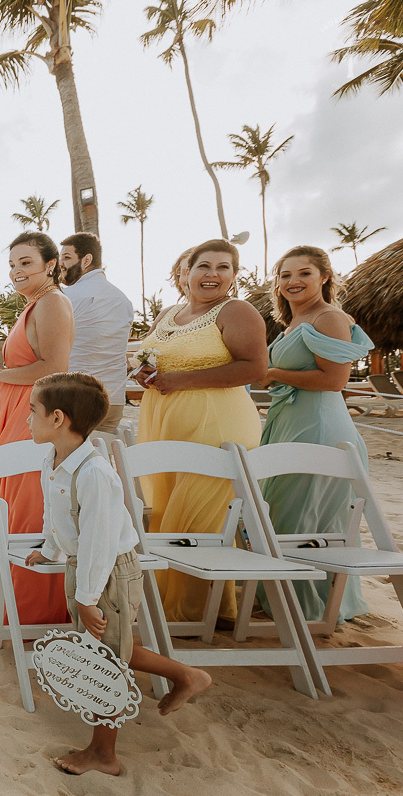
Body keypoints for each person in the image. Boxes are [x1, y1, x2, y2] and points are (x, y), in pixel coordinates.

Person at [24, 372, 212, 776]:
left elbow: (100, 540)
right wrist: (49, 547)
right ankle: (186, 675)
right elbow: (56, 513)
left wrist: (88, 598)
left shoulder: (94, 473)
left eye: (32, 411)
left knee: (104, 660)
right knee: (108, 648)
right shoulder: (54, 459)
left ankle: (103, 755)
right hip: (85, 568)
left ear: (58, 418)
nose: (27, 418)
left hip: (107, 571)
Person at [134, 239, 266, 623]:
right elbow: (157, 359)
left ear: (234, 276)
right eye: (203, 266)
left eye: (223, 267)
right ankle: (190, 606)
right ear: (185, 272)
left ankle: (195, 612)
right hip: (165, 420)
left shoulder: (237, 311)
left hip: (217, 423)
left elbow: (255, 369)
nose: (212, 274)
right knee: (166, 507)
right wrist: (148, 373)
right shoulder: (168, 313)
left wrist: (183, 380)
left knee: (197, 515)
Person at [0, 231, 74, 635]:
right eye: (12, 264)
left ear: (50, 265)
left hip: (34, 418)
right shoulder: (35, 306)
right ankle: (7, 591)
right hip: (13, 412)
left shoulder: (54, 303)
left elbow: (55, 366)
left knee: (26, 509)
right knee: (7, 499)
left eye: (26, 263)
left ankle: (30, 609)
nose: (16, 271)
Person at [257, 245, 371, 623]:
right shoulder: (294, 320)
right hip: (291, 421)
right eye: (285, 275)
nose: (293, 282)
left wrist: (273, 374)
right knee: (286, 511)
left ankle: (310, 605)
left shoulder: (329, 317)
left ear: (324, 277)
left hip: (319, 426)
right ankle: (285, 597)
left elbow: (335, 380)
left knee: (306, 515)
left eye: (303, 273)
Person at [60, 232, 134, 434]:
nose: (61, 265)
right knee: (100, 457)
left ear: (87, 260)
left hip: (76, 397)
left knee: (68, 462)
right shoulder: (123, 300)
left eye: (67, 257)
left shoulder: (66, 297)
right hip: (114, 399)